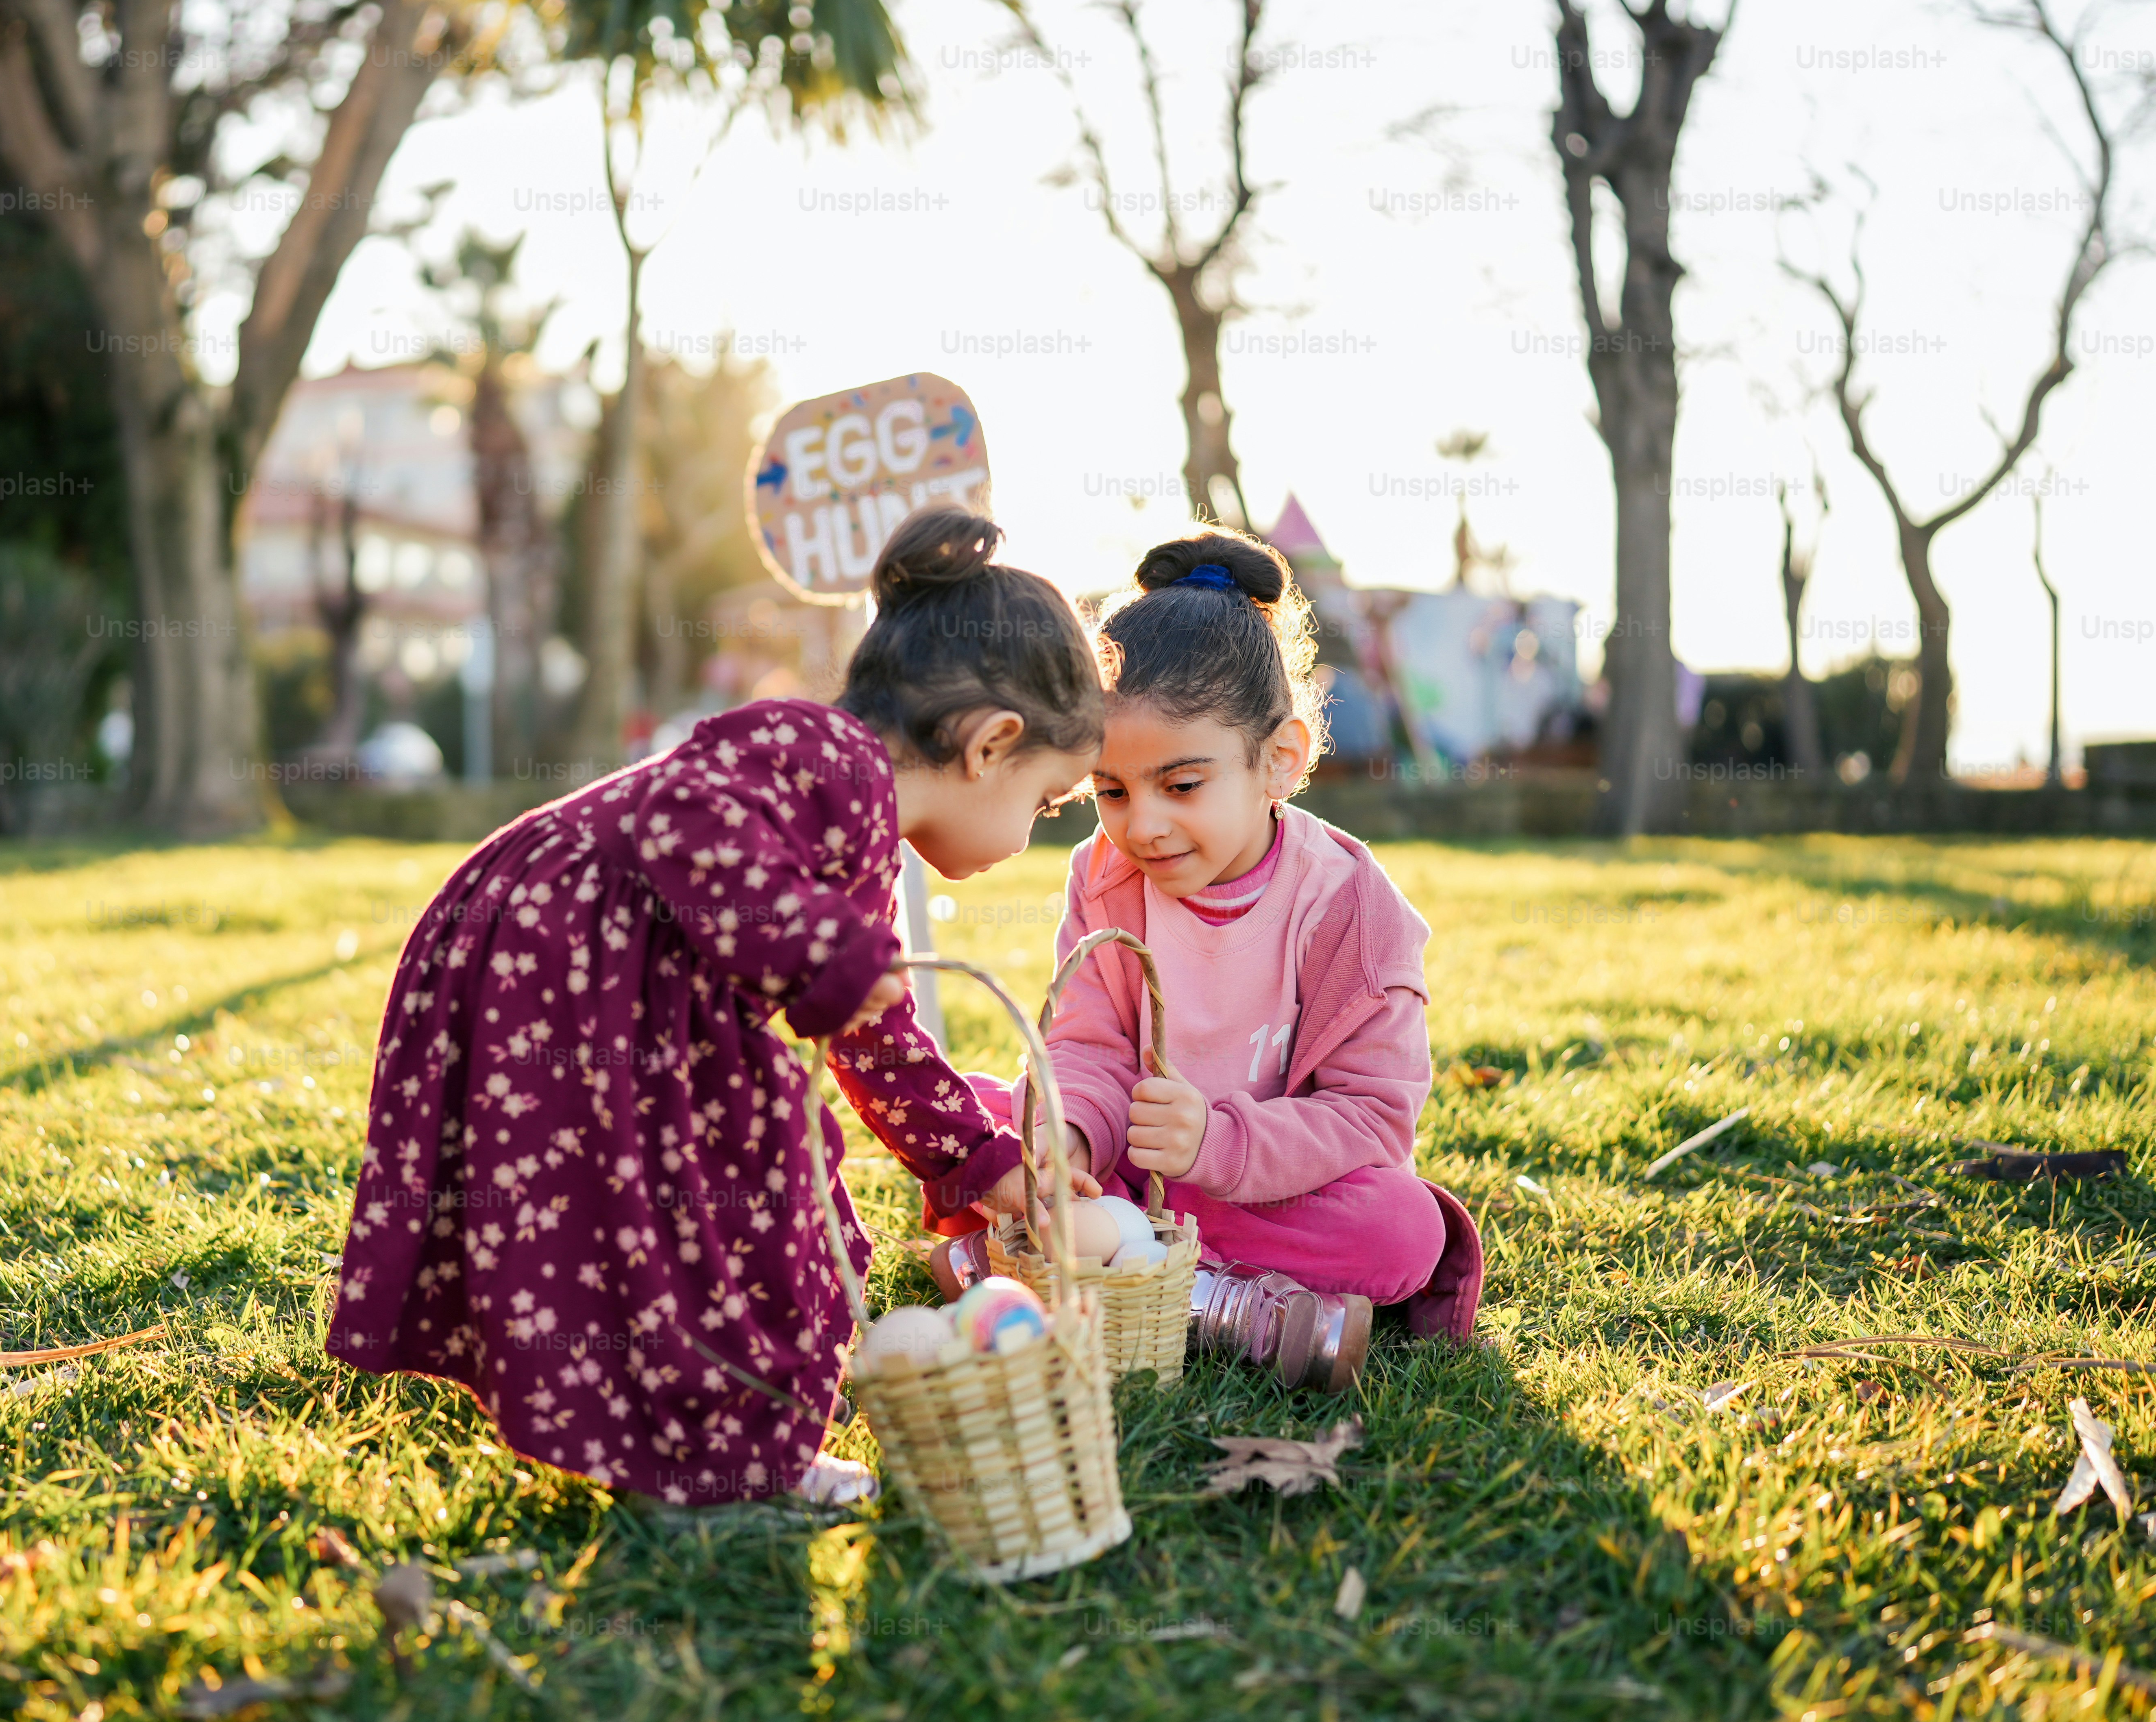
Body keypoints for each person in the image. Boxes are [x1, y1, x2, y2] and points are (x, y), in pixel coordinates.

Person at [327, 509, 1104, 1508]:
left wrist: (983, 1161)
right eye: (1048, 803)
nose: (1034, 833)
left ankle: (703, 1433)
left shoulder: (855, 820)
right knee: (764, 1194)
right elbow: (684, 819)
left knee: (709, 1194)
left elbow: (874, 1033)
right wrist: (828, 953)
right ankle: (733, 1447)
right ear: (993, 745)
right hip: (563, 952)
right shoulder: (817, 749)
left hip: (580, 960)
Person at [927, 529, 1483, 1392]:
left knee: (1405, 1229)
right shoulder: (1103, 877)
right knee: (979, 1117)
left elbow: (1372, 1118)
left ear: (1279, 761)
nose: (1142, 823)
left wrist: (1216, 1143)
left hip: (1268, 1190)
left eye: (1181, 785)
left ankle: (1096, 1263)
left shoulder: (1350, 906)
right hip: (1126, 1166)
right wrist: (1067, 1136)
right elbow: (1087, 1046)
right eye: (1111, 790)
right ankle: (1214, 1296)